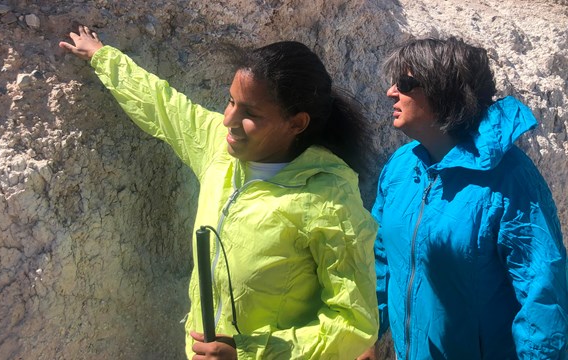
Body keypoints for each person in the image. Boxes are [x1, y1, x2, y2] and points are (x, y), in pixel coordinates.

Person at [59, 26, 379, 359]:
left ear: (297, 123)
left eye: (250, 113)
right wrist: (102, 56)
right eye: (231, 102)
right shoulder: (219, 148)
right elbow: (162, 105)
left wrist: (248, 354)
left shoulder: (329, 198)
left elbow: (354, 323)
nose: (229, 119)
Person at [360, 37, 568, 360]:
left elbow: (543, 296)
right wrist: (366, 334)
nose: (391, 91)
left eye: (403, 82)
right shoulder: (400, 168)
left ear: (442, 91)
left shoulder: (510, 178)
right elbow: (380, 257)